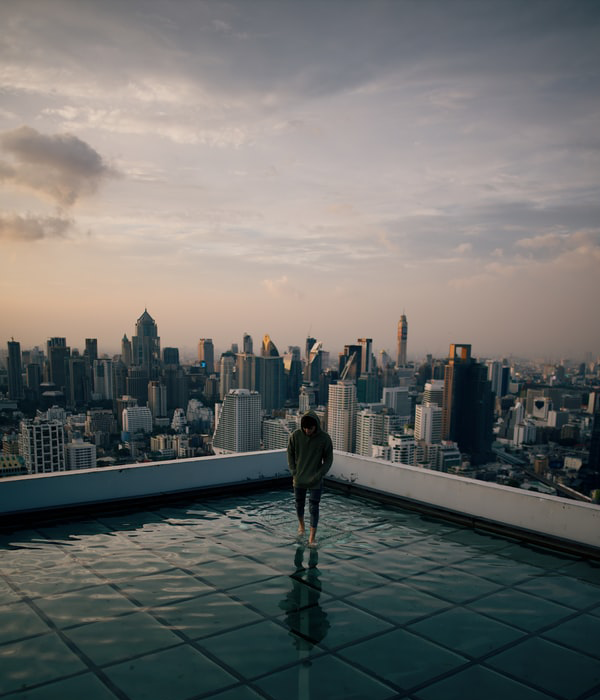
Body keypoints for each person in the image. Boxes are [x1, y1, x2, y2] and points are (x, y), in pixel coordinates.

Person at [287, 410, 333, 545]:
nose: (307, 431)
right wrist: (293, 471)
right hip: (299, 477)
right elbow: (289, 453)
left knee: (314, 507)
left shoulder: (324, 438)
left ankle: (312, 538)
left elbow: (329, 459)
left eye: (310, 428)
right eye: (305, 428)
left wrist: (320, 474)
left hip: (315, 479)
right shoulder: (296, 436)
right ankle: (301, 525)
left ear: (316, 426)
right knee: (299, 504)